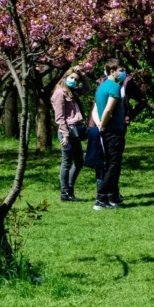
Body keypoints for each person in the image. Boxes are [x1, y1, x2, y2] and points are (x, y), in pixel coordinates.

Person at [92, 59, 128, 210]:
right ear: (112, 71)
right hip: (114, 131)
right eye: (121, 70)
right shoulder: (114, 87)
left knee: (111, 164)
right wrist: (104, 124)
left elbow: (95, 110)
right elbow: (108, 109)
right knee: (114, 165)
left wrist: (99, 123)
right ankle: (101, 198)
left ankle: (114, 197)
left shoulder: (102, 86)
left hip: (106, 130)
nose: (123, 73)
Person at [52, 66, 87, 202]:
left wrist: (82, 75)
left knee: (79, 162)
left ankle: (70, 190)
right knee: (66, 162)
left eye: (75, 79)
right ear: (65, 77)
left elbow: (87, 88)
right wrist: (65, 134)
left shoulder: (72, 91)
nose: (73, 81)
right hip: (66, 131)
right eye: (71, 78)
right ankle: (64, 192)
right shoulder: (60, 93)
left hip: (76, 130)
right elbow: (59, 117)